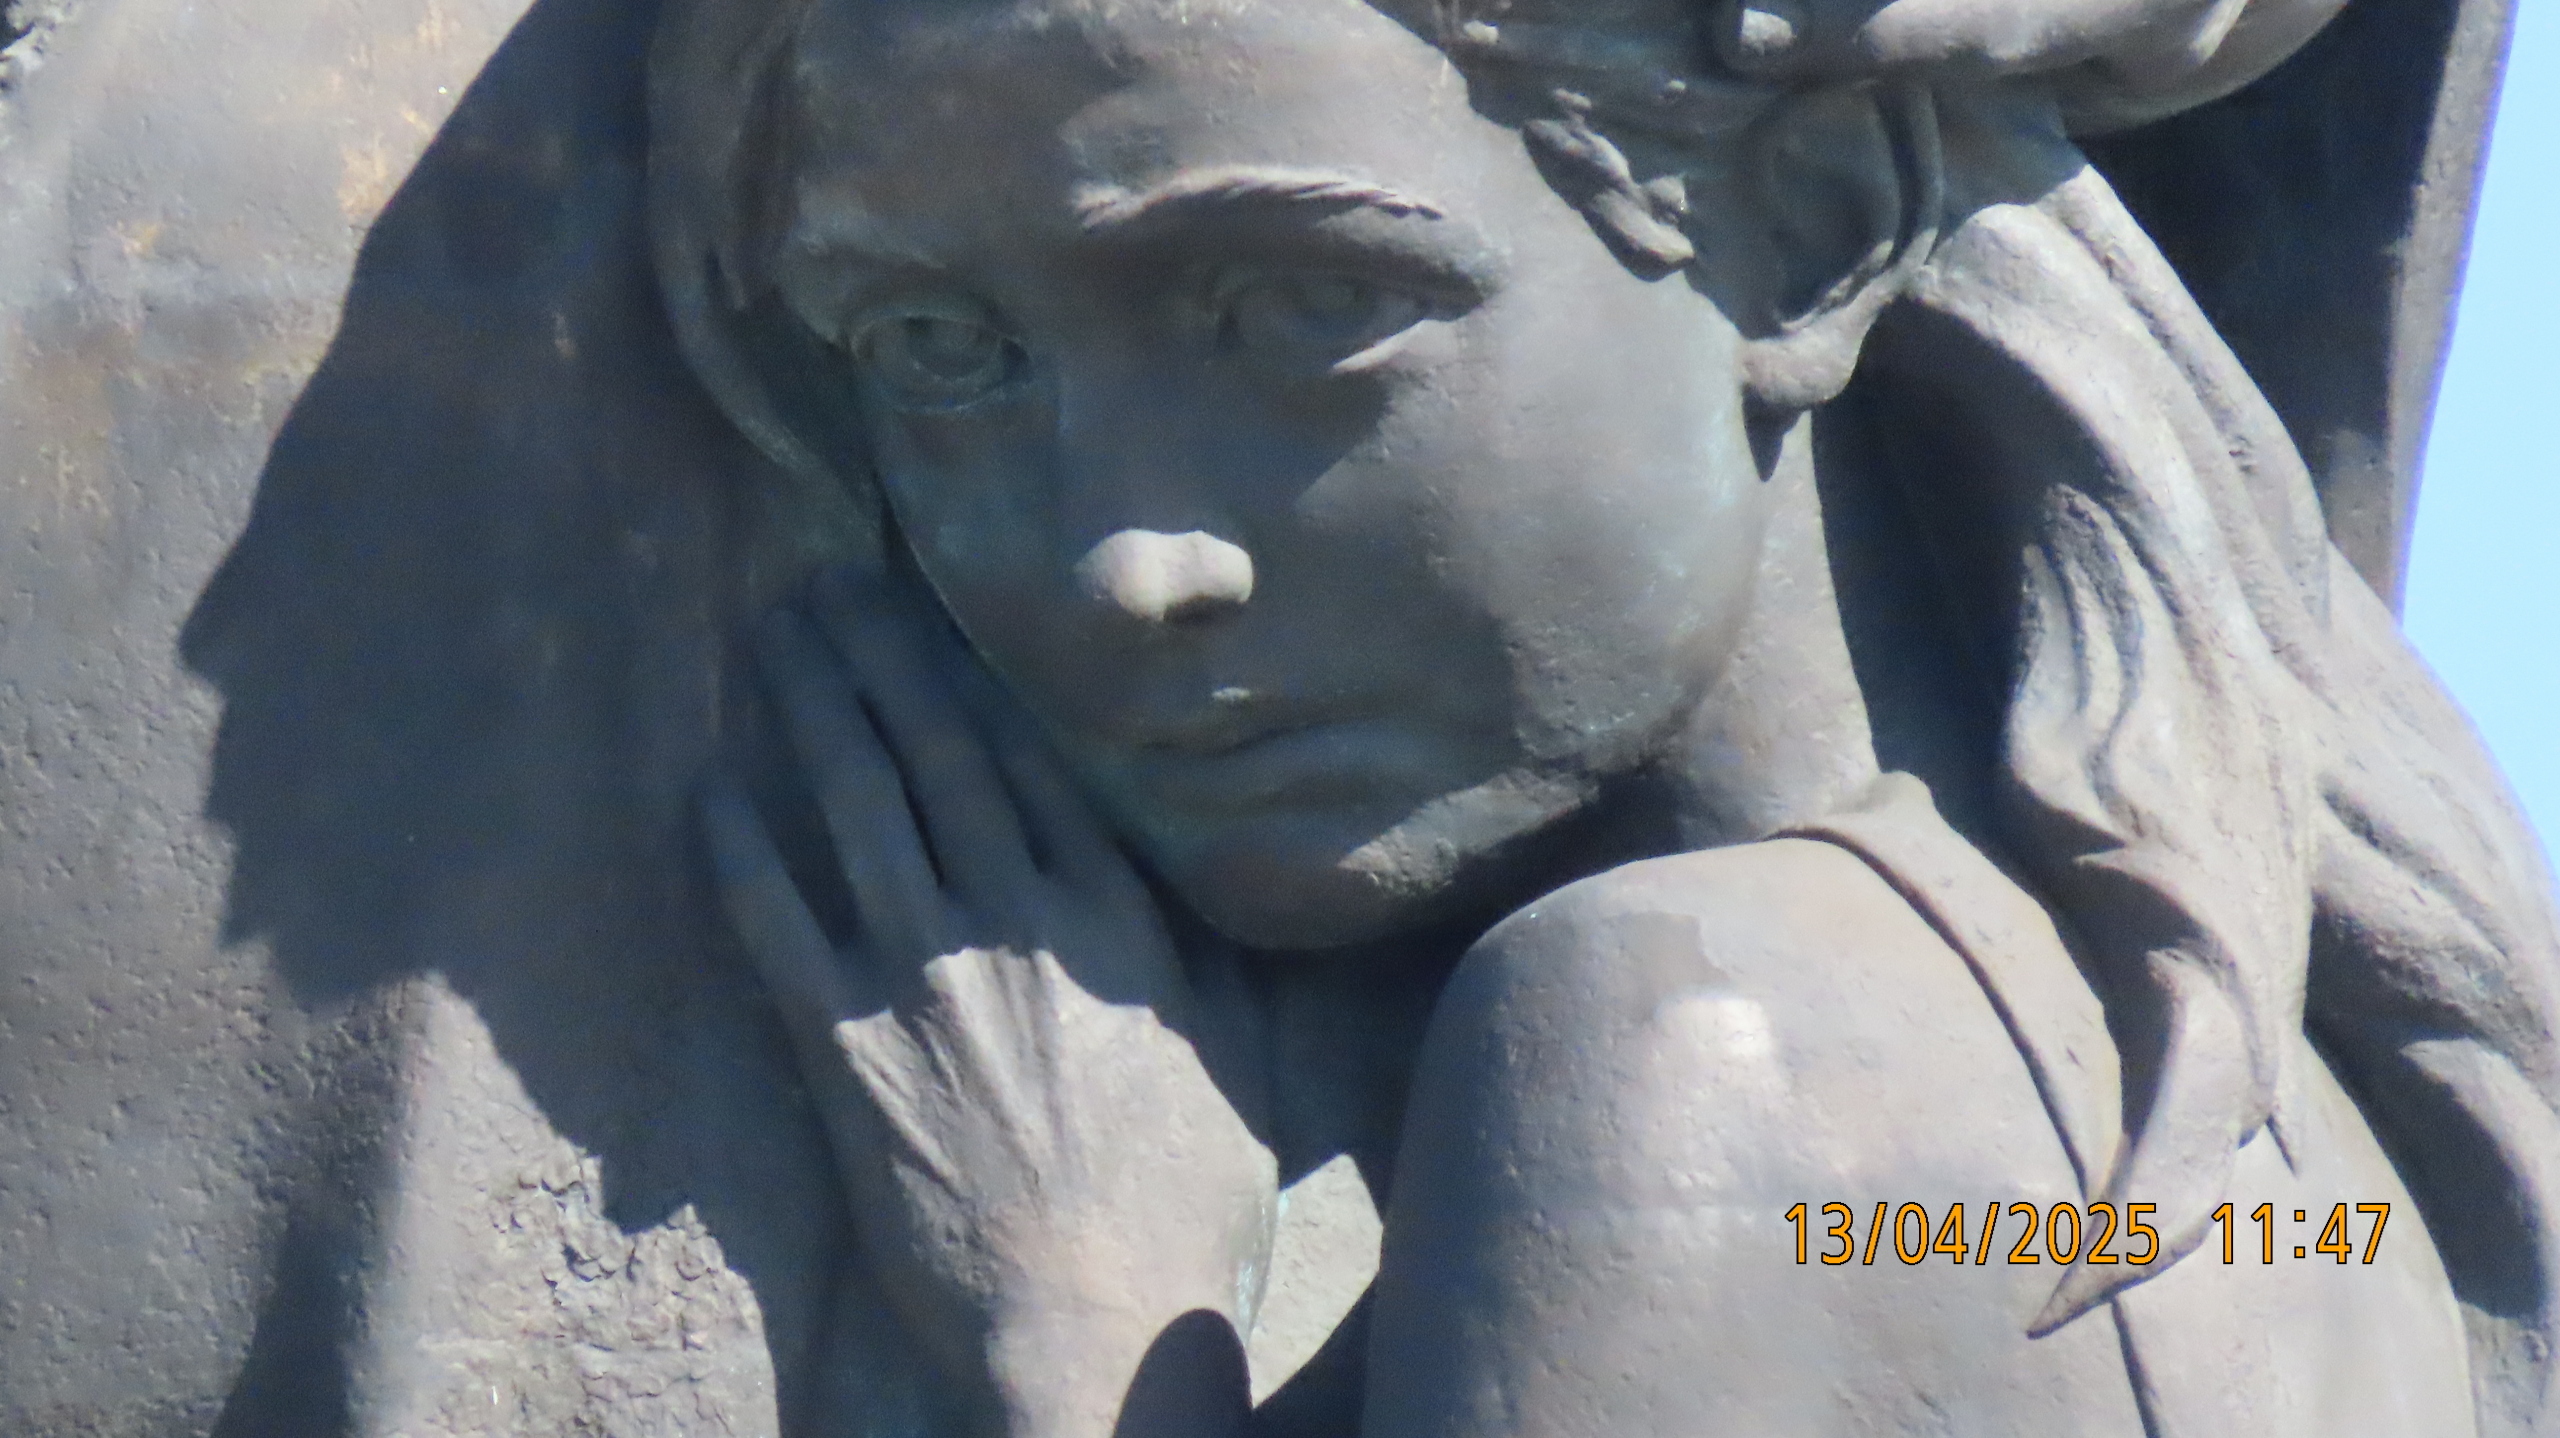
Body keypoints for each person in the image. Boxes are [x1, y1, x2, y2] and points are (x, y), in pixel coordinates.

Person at [647, 0, 2560, 1433]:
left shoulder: (1682, 1049)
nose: (1127, 562)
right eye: (936, 352)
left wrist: (1088, 1340)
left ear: (1815, 227)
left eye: (1303, 307)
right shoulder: (2261, 1138)